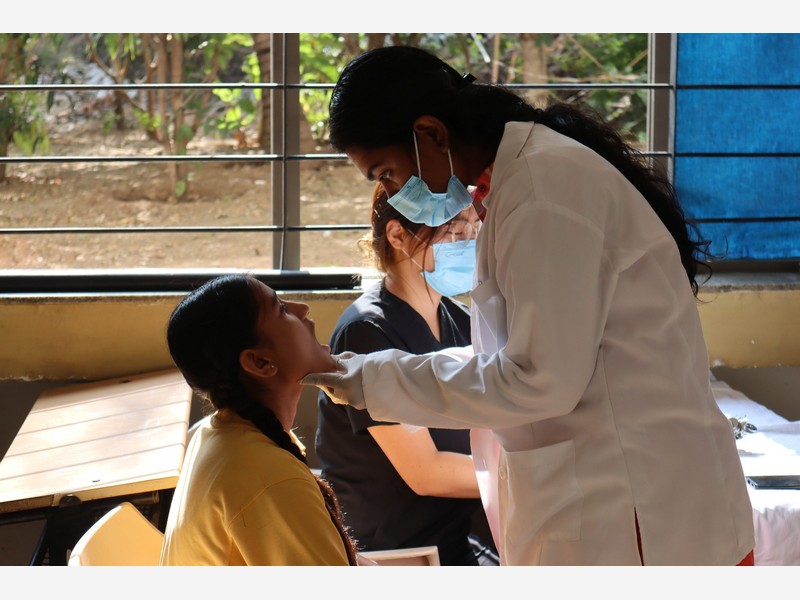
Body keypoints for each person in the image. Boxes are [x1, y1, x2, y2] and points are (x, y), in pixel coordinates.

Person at [302, 45, 756, 566]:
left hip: (640, 515)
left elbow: (538, 378)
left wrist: (368, 380)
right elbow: (518, 359)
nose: (391, 192)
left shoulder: (543, 190)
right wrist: (361, 374)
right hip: (614, 498)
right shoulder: (516, 183)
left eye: (385, 173)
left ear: (430, 134)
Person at [316, 183, 498, 566]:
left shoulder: (461, 321)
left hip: (454, 535)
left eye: (473, 230)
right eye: (454, 232)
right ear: (398, 235)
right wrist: (525, 479)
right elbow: (425, 472)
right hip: (397, 551)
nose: (468, 243)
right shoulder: (366, 332)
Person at [161, 273, 358, 566]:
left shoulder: (219, 431)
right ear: (260, 363)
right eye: (280, 308)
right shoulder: (271, 476)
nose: (302, 309)